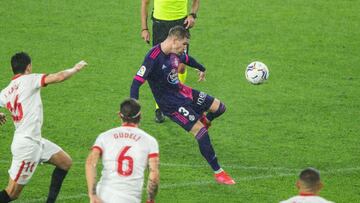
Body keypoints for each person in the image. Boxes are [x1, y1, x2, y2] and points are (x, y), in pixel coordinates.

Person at [130, 25, 235, 185]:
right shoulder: (153, 57)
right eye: (184, 43)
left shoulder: (176, 52)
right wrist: (133, 112)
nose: (185, 47)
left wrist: (201, 68)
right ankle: (218, 172)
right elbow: (135, 84)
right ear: (174, 40)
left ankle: (205, 120)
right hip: (170, 104)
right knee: (200, 132)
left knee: (220, 108)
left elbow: (187, 60)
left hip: (183, 92)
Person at [0, 52, 88, 203]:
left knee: (65, 162)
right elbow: (58, 77)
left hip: (36, 141)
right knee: (11, 194)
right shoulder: (29, 79)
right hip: (27, 146)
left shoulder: (5, 91)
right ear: (28, 66)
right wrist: (75, 69)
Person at [85, 98, 159, 203]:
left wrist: (92, 194)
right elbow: (154, 173)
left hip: (103, 195)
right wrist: (150, 199)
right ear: (140, 115)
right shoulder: (149, 141)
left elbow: (90, 163)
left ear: (120, 115)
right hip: (130, 199)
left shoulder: (105, 136)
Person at [141, 0, 200, 123]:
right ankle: (160, 107)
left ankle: (178, 98)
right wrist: (144, 28)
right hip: (160, 24)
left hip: (181, 23)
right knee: (161, 67)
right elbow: (145, 3)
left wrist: (192, 15)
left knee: (181, 67)